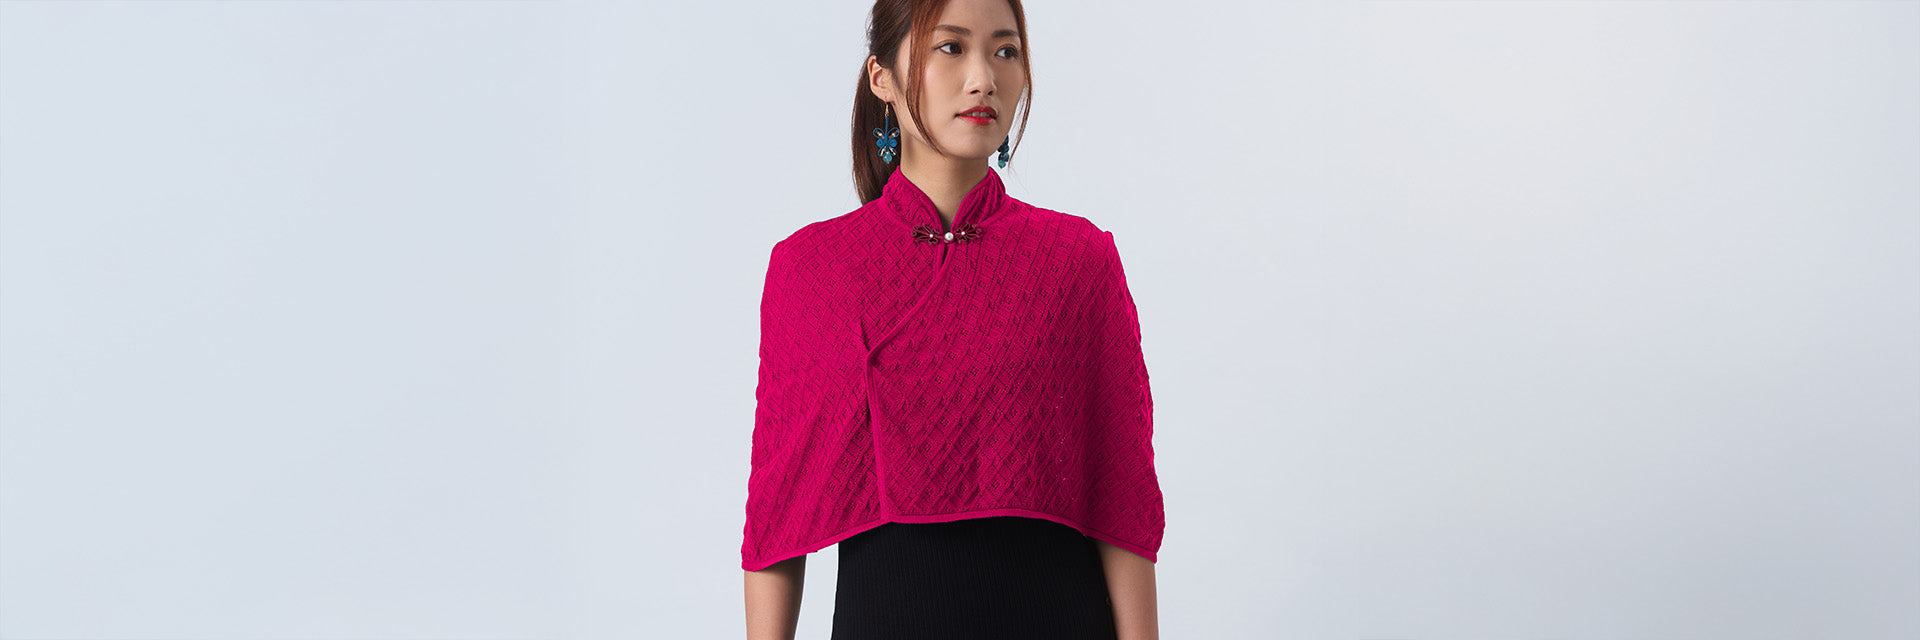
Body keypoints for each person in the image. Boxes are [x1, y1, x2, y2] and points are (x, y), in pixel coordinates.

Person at [742, 1, 1163, 638]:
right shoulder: (812, 268)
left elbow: (1122, 494)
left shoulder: (1078, 258)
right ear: (882, 78)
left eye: (1005, 51)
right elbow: (779, 515)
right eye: (951, 47)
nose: (983, 79)